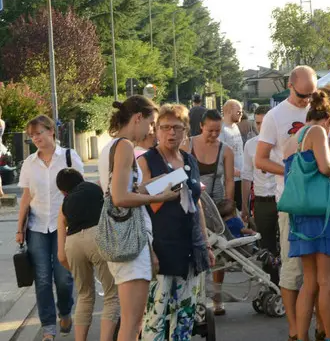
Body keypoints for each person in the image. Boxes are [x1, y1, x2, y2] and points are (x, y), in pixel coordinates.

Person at [255, 66, 330, 341]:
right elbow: (260, 160)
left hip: (321, 201)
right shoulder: (275, 116)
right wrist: (299, 173)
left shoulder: (321, 110)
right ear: (290, 86)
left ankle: (314, 329)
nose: (307, 99)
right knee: (297, 275)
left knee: (316, 279)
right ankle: (295, 330)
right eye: (303, 94)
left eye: (311, 94)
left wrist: (320, 165)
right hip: (293, 203)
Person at [98, 96, 177, 341]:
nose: (151, 130)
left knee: (133, 321)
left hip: (124, 238)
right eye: (151, 123)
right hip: (129, 239)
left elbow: (119, 191)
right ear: (137, 118)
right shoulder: (125, 147)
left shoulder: (110, 147)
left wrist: (151, 186)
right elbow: (120, 197)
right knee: (133, 323)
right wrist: (158, 197)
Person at [282, 90, 330, 341]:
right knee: (328, 282)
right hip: (322, 213)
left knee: (310, 282)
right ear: (328, 118)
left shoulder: (295, 137)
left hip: (302, 215)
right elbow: (326, 168)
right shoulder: (317, 132)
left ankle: (301, 336)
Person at [138, 104, 214, 340]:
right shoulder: (146, 161)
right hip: (160, 248)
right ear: (156, 130)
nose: (171, 133)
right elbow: (141, 200)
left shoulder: (190, 159)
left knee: (185, 316)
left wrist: (206, 243)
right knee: (155, 317)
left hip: (189, 248)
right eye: (165, 127)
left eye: (177, 128)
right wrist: (148, 251)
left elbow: (197, 203)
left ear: (185, 131)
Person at [16, 115, 83, 341]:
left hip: (64, 226)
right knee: (43, 279)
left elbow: (80, 191)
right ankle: (48, 328)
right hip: (36, 227)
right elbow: (26, 197)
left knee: (63, 278)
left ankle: (64, 311)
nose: (35, 138)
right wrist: (18, 228)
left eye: (39, 133)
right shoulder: (29, 163)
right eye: (32, 135)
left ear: (51, 131)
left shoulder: (69, 157)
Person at [56, 169, 118, 341]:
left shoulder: (64, 205)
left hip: (73, 244)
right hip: (97, 236)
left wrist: (80, 272)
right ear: (81, 179)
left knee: (85, 295)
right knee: (112, 295)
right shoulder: (94, 188)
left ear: (63, 191)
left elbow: (61, 256)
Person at [183, 108, 234, 316]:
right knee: (195, 250)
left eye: (218, 131)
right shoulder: (187, 145)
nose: (214, 135)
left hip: (217, 207)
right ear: (201, 126)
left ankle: (217, 297)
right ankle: (196, 298)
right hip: (193, 205)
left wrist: (229, 204)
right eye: (210, 130)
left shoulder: (226, 150)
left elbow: (229, 180)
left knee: (220, 254)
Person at [242, 106, 278, 257]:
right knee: (265, 246)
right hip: (262, 202)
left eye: (264, 123)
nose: (260, 127)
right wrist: (245, 207)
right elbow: (246, 176)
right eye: (257, 123)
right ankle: (271, 278)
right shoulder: (250, 144)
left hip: (281, 199)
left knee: (285, 243)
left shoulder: (281, 143)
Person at [219, 99, 245, 211]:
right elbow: (220, 156)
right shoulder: (221, 129)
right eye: (239, 112)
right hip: (231, 179)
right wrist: (234, 171)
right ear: (229, 112)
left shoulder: (235, 126)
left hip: (241, 176)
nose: (241, 114)